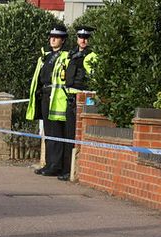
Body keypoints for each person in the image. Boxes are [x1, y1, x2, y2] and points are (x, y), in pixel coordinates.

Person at [26, 24, 70, 177]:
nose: (52, 39)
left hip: (56, 97)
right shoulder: (45, 56)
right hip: (44, 95)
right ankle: (49, 163)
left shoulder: (65, 56)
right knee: (48, 132)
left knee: (56, 132)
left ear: (63, 40)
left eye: (56, 37)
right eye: (51, 36)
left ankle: (55, 165)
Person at [60, 25, 98, 181]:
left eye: (86, 38)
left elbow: (93, 78)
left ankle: (71, 170)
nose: (83, 40)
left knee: (75, 134)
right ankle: (65, 168)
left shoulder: (92, 56)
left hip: (82, 97)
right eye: (81, 37)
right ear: (77, 38)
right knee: (68, 134)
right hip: (69, 96)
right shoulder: (71, 54)